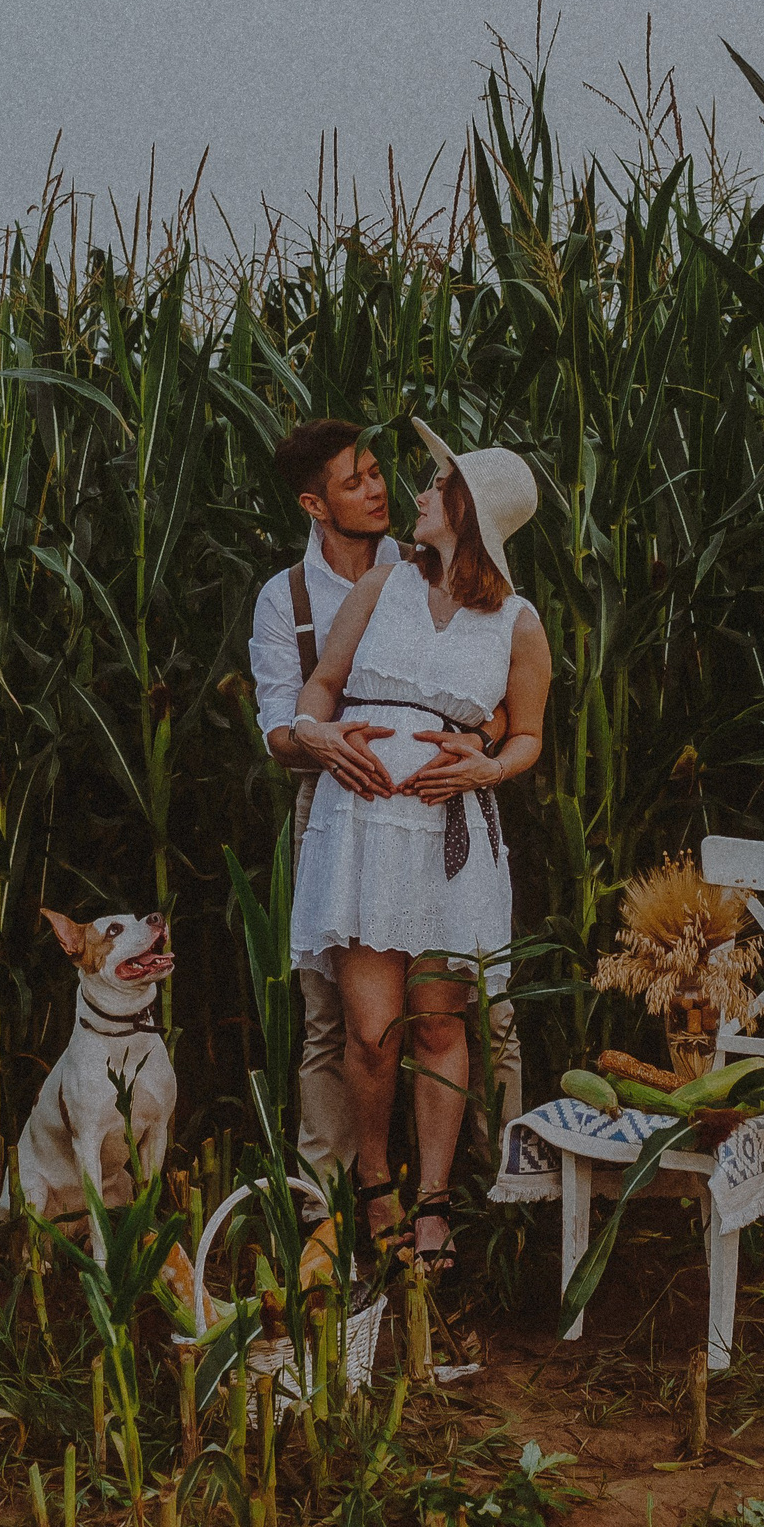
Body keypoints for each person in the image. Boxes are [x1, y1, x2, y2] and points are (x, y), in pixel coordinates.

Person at [284, 418, 550, 1269]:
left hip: (447, 839)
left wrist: (487, 767)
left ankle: (434, 1201)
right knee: (371, 1029)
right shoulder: (383, 585)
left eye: (441, 484)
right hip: (364, 831)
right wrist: (317, 734)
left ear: (469, 512)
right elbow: (322, 684)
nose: (421, 491)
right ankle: (373, 1180)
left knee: (439, 1023)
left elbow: (528, 733)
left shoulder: (517, 622)